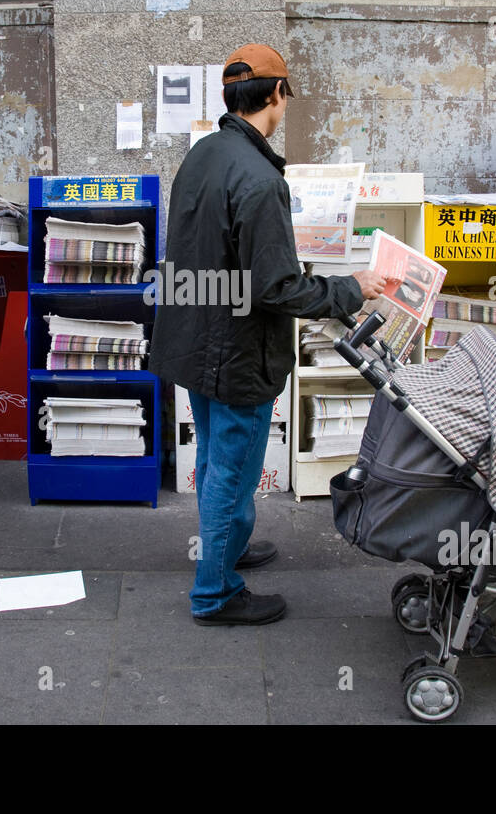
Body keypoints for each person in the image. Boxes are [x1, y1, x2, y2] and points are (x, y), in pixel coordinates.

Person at [149, 44, 390, 626]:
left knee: (214, 460)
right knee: (230, 469)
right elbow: (277, 289)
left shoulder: (204, 154)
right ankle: (215, 593)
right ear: (277, 94)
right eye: (287, 94)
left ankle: (225, 549)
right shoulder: (259, 178)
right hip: (237, 354)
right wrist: (353, 287)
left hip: (197, 339)